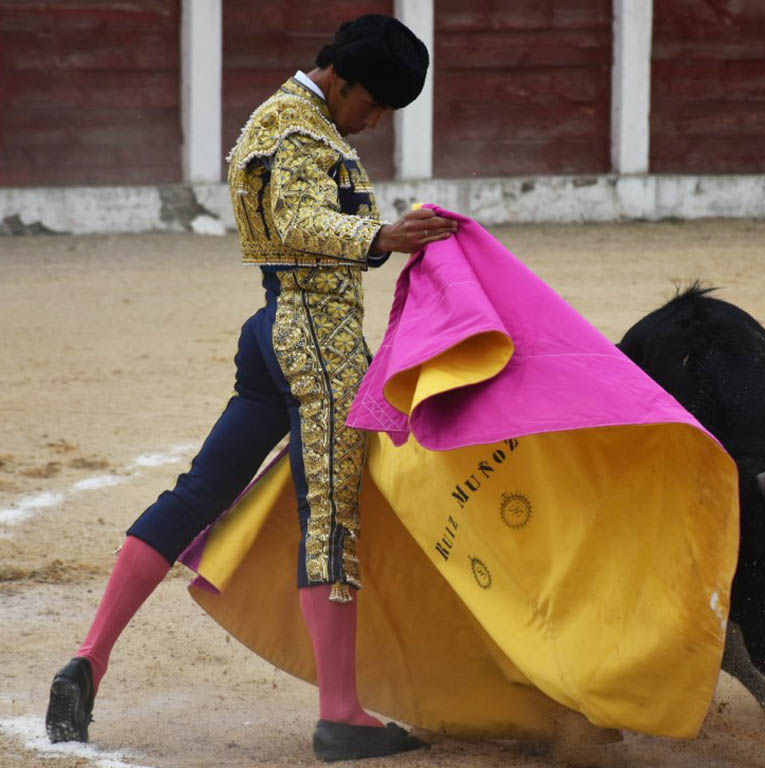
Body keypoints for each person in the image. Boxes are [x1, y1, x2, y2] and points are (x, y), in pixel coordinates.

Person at [45, 14, 457, 762]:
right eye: (376, 103)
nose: (377, 120)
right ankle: (341, 716)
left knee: (198, 494)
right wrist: (377, 237)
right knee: (330, 514)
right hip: (317, 341)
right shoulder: (301, 130)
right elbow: (298, 218)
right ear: (341, 78)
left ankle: (89, 656)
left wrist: (380, 241)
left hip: (271, 330)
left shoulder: (278, 115)